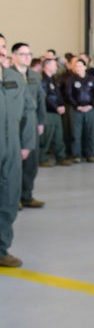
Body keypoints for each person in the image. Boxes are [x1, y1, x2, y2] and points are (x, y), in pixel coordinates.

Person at [0, 34, 29, 267]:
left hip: (11, 149)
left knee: (9, 198)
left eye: (2, 46)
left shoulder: (13, 78)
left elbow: (27, 111)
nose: (1, 50)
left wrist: (26, 143)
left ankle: (1, 249)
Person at [10, 43, 45, 209]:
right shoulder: (9, 75)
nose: (27, 57)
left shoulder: (34, 76)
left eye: (29, 53)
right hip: (14, 123)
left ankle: (26, 196)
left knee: (31, 163)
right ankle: (13, 198)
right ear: (14, 56)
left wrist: (41, 121)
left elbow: (40, 100)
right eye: (23, 54)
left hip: (32, 122)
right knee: (15, 164)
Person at [64, 56, 94, 164]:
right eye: (76, 66)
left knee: (90, 132)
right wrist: (77, 106)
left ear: (85, 67)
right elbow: (68, 94)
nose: (78, 68)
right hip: (76, 109)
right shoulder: (71, 79)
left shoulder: (91, 79)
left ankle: (90, 154)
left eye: (80, 66)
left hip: (90, 109)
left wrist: (91, 105)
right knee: (76, 133)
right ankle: (76, 155)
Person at [38, 57, 71, 167]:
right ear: (47, 66)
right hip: (48, 112)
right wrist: (55, 107)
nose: (57, 67)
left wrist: (61, 105)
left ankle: (60, 157)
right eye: (54, 65)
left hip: (56, 112)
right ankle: (42, 158)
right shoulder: (42, 79)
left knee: (58, 136)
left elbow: (57, 95)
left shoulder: (53, 79)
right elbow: (44, 97)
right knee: (46, 137)